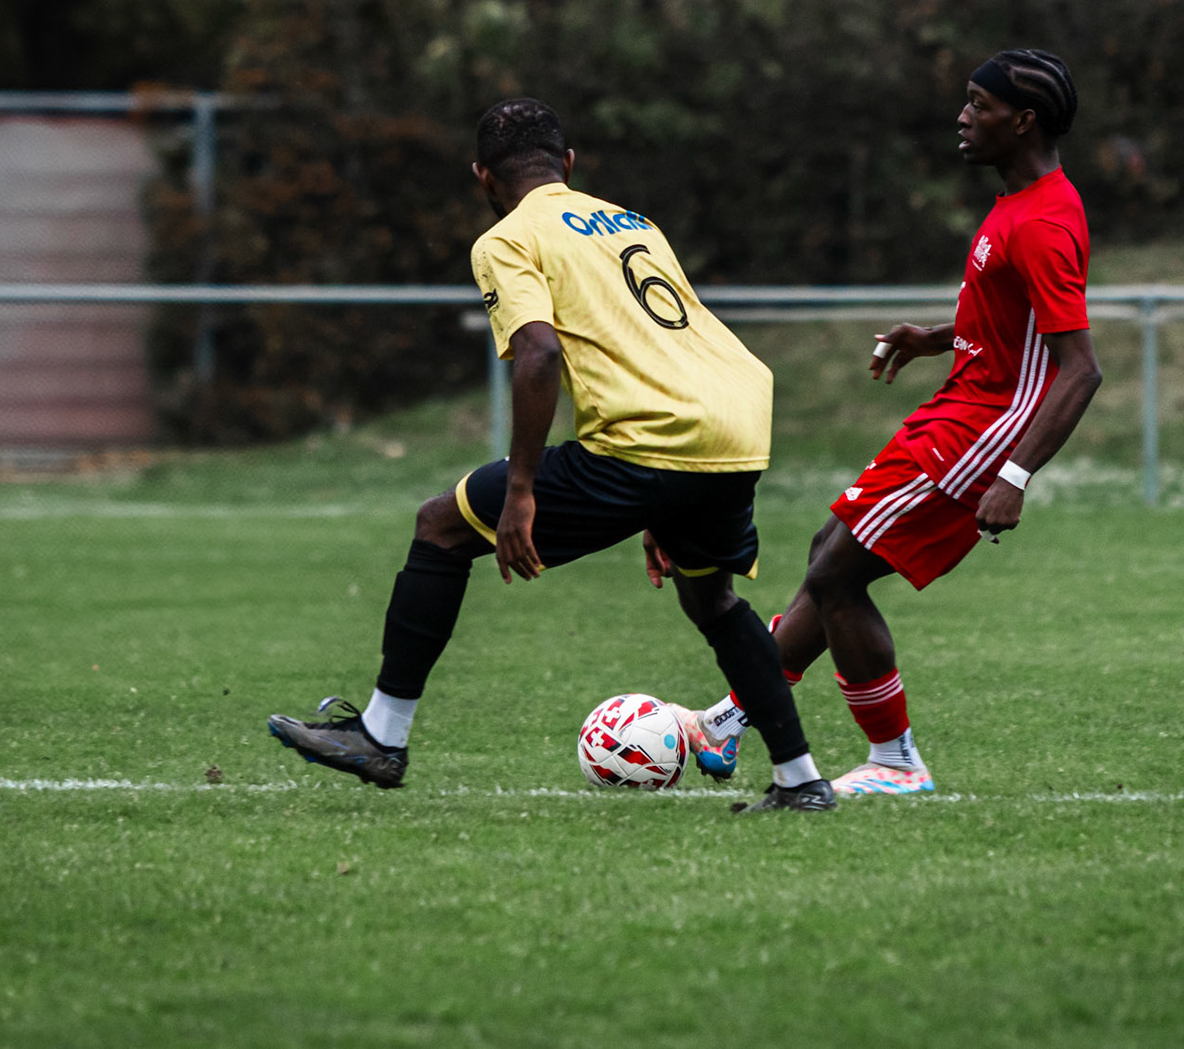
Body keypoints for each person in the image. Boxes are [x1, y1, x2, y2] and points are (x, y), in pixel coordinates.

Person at [268, 98, 834, 813]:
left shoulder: (507, 238)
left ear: (482, 179)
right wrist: (666, 500)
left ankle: (382, 736)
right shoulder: (636, 222)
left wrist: (523, 490)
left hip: (648, 440)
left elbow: (538, 351)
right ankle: (800, 780)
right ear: (568, 164)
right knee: (713, 600)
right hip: (736, 427)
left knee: (441, 526)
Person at [674, 49, 1103, 797]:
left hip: (985, 432)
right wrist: (936, 337)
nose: (963, 118)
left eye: (979, 104)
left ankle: (896, 763)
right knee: (828, 552)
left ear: (1023, 120)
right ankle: (730, 720)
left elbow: (1081, 367)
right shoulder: (1018, 203)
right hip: (956, 409)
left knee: (838, 573)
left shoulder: (1041, 221)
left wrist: (1014, 474)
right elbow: (1015, 321)